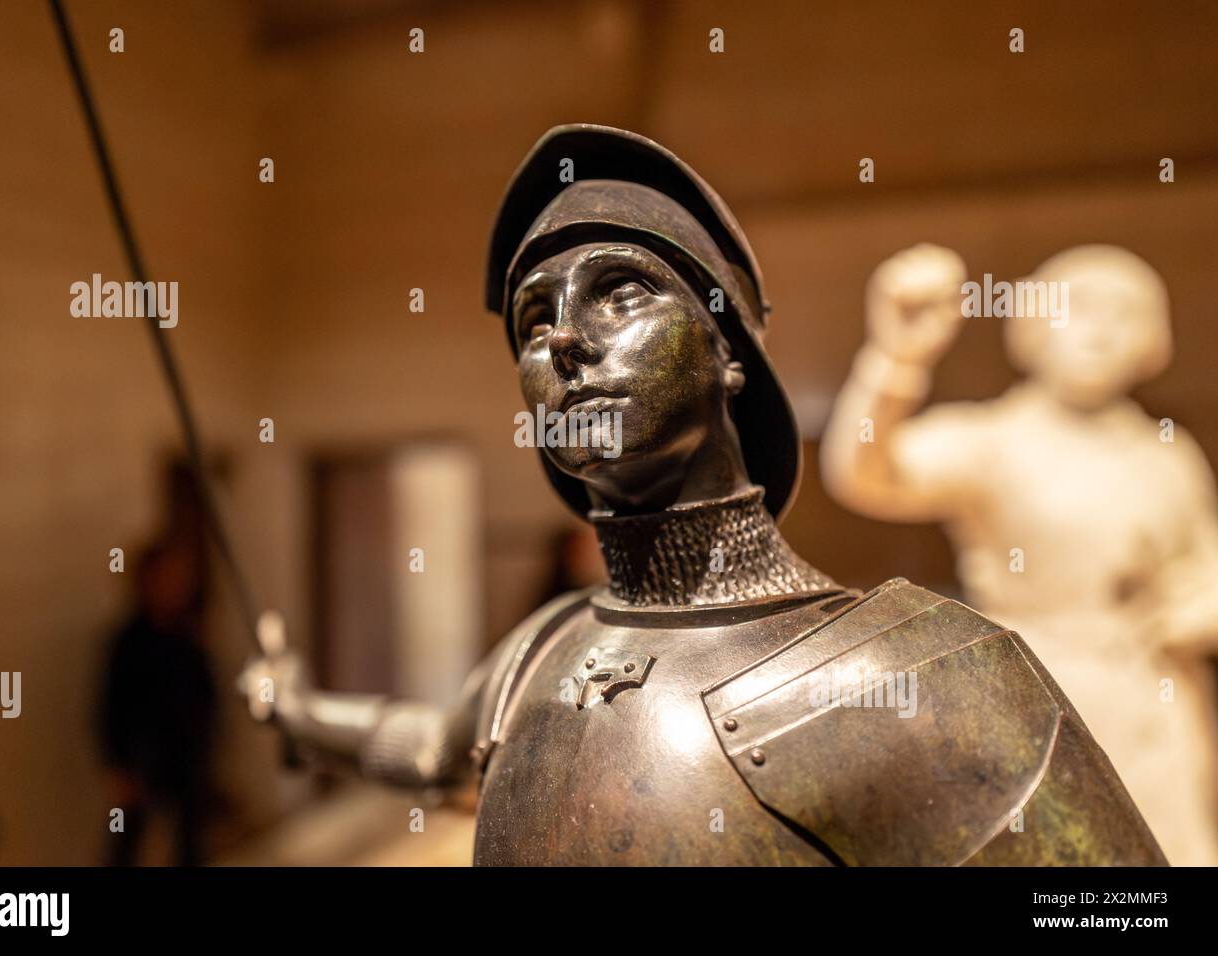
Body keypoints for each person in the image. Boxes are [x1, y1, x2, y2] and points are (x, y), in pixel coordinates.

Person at [239, 126, 1164, 865]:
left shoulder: (920, 673)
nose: (562, 341)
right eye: (534, 318)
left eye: (622, 293)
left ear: (729, 357)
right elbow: (430, 745)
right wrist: (294, 709)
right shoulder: (543, 651)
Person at [821, 243, 1218, 865]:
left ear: (1151, 338)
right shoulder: (997, 442)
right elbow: (866, 473)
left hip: (1156, 700)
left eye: (1123, 313)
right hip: (1039, 689)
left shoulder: (1166, 454)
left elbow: (1206, 564)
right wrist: (898, 358)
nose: (1099, 330)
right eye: (1077, 308)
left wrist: (1197, 612)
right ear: (1033, 326)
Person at [99, 536, 216, 865]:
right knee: (126, 842)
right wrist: (118, 765)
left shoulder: (188, 636)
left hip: (186, 758)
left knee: (190, 845)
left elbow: (205, 698)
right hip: (143, 758)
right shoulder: (129, 642)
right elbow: (111, 706)